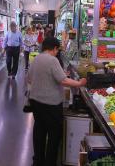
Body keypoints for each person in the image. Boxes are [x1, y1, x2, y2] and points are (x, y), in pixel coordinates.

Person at [27, 37, 87, 166]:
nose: (57, 52)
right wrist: (79, 83)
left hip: (36, 102)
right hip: (51, 105)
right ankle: (50, 162)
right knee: (54, 135)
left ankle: (38, 161)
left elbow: (29, 78)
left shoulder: (37, 58)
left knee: (39, 132)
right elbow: (63, 81)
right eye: (57, 50)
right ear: (54, 48)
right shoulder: (52, 60)